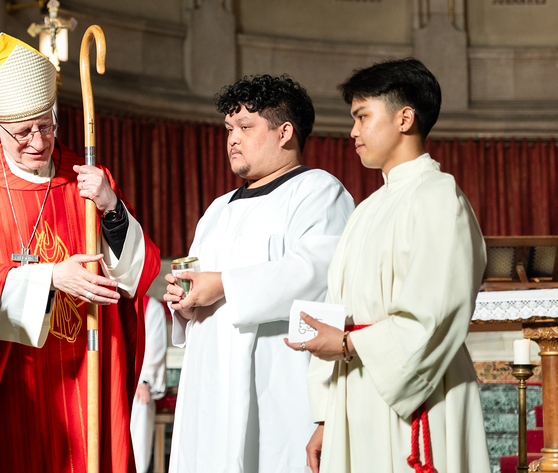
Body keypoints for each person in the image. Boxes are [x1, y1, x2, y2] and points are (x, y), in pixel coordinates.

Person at [0, 33, 162, 473]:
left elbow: (135, 278)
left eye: (46, 126)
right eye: (23, 132)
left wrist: (111, 208)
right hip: (14, 378)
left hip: (88, 365)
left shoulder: (88, 179)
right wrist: (50, 277)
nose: (38, 141)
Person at [287, 58, 490, 473]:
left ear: (404, 118)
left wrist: (349, 345)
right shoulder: (367, 208)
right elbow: (339, 309)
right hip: (355, 391)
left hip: (414, 396)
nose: (353, 131)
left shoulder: (437, 196)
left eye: (362, 116)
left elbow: (432, 316)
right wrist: (326, 417)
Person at [164, 74, 355, 473]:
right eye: (228, 129)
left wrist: (223, 285)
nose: (232, 139)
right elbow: (199, 285)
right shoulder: (217, 209)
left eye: (245, 127)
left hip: (275, 382)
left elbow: (315, 274)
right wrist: (184, 302)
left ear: (284, 132)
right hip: (209, 384)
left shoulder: (319, 191)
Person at [130, 296, 167, 473]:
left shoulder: (151, 307)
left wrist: (143, 380)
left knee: (140, 402)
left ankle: (137, 469)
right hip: (112, 380)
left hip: (139, 381)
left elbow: (154, 347)